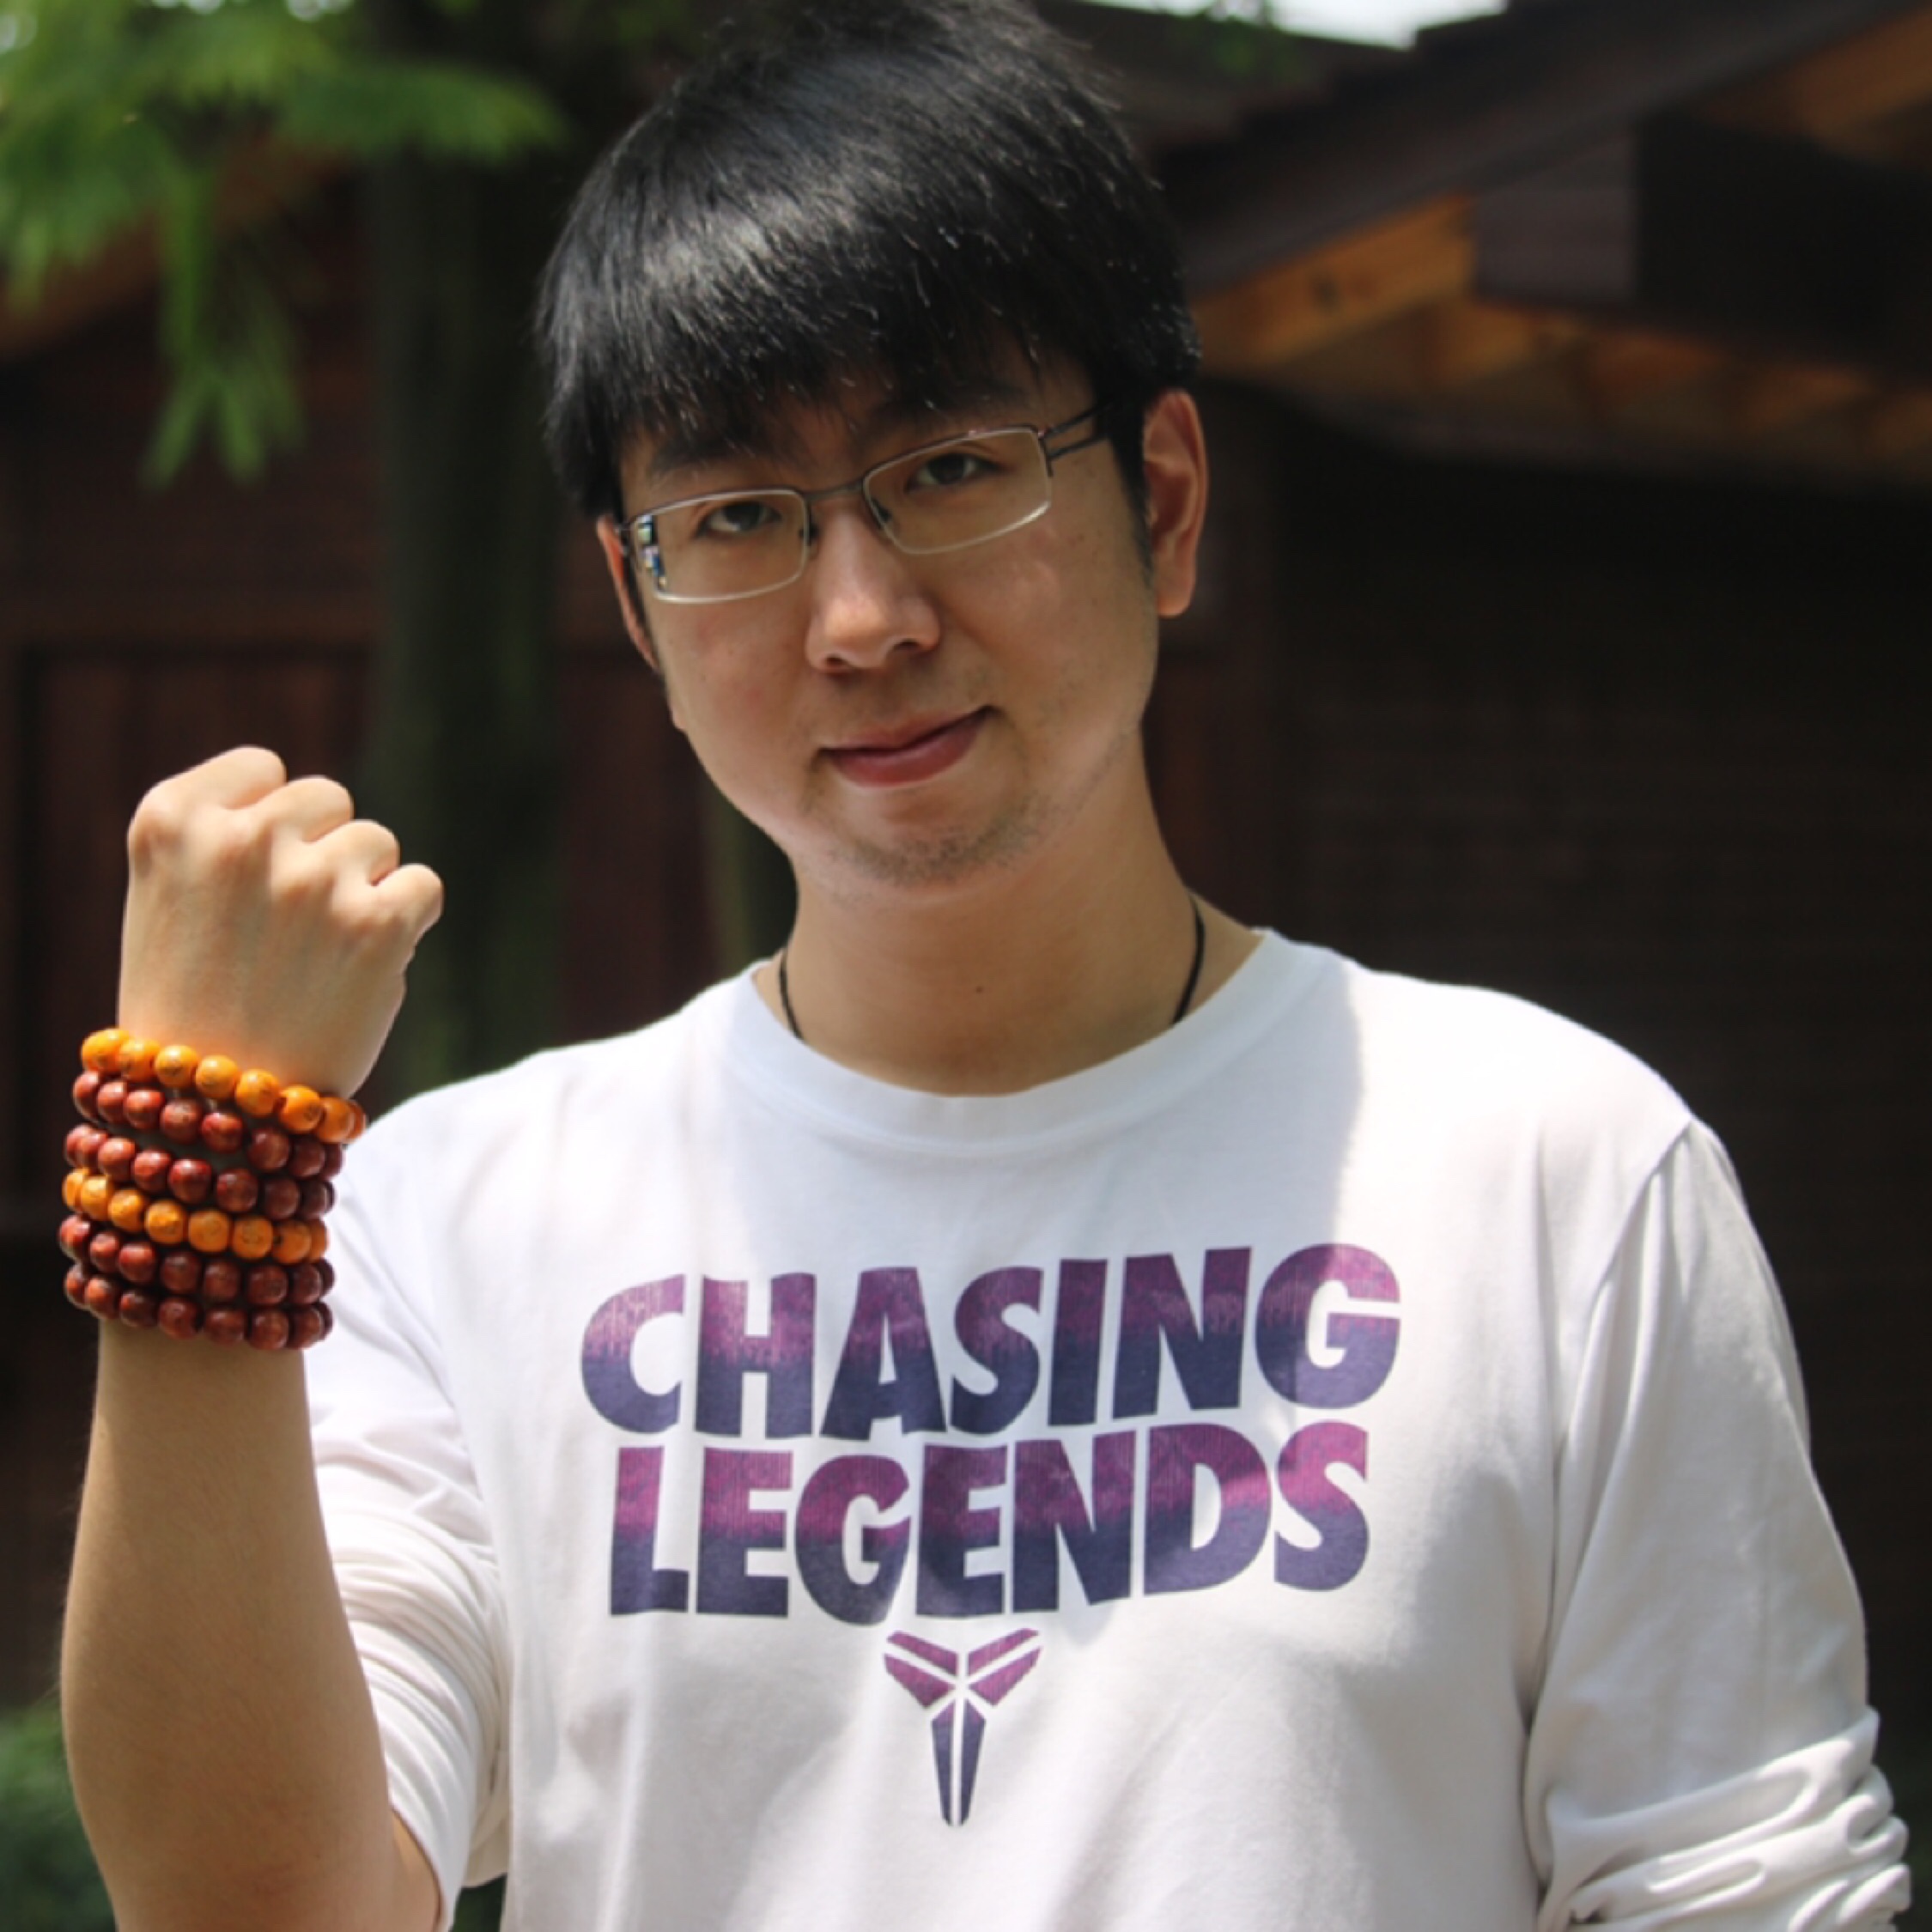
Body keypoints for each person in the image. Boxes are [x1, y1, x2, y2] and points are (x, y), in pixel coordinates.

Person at [60, 2, 1910, 1929]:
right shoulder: (460, 1223)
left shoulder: (1551, 1176)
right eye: (738, 516)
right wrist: (198, 1167)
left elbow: (1737, 1888)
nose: (862, 617)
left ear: (1163, 501)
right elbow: (256, 1908)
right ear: (638, 601)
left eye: (950, 468)